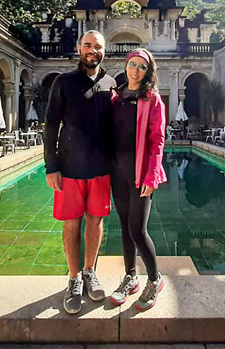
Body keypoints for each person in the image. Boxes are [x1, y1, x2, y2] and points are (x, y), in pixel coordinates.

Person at [44, 30, 116, 315]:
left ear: (104, 51)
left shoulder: (112, 83)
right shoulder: (63, 82)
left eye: (97, 46)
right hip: (70, 167)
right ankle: (73, 279)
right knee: (72, 224)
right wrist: (52, 166)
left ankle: (89, 271)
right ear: (79, 48)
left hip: (100, 168)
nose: (92, 50)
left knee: (96, 222)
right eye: (87, 45)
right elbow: (50, 125)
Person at [108, 48, 168, 311]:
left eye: (141, 66)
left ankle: (154, 280)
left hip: (140, 172)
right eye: (132, 64)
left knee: (138, 230)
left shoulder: (152, 99)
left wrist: (152, 174)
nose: (135, 70)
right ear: (125, 65)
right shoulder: (116, 96)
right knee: (123, 227)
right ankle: (131, 277)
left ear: (148, 71)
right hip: (117, 171)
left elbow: (158, 139)